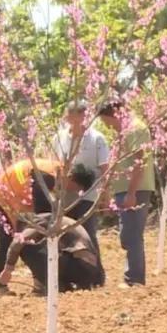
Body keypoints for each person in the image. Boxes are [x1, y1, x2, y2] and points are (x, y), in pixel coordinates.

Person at [97, 99, 156, 287]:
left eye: (107, 121)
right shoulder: (123, 133)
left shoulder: (136, 129)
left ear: (114, 114)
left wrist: (132, 193)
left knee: (131, 235)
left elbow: (141, 162)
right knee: (127, 235)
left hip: (135, 189)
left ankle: (135, 279)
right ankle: (133, 276)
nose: (107, 126)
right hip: (124, 189)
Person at [0, 158, 61, 284]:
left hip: (14, 204)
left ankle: (40, 280)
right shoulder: (47, 175)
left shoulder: (51, 168)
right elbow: (43, 213)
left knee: (27, 242)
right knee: (7, 240)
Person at [51, 99, 109, 257]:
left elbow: (105, 168)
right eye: (70, 115)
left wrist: (105, 194)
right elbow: (54, 165)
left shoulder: (97, 139)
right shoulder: (59, 138)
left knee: (87, 234)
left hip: (87, 195)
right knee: (66, 235)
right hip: (64, 196)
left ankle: (96, 274)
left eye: (81, 115)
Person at [0, 213, 104, 294]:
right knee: (44, 250)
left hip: (80, 265)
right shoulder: (54, 220)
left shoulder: (39, 221)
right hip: (88, 271)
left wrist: (8, 269)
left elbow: (18, 242)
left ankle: (56, 287)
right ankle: (62, 286)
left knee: (25, 248)